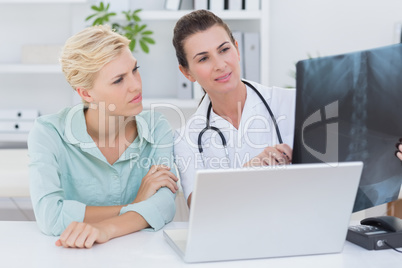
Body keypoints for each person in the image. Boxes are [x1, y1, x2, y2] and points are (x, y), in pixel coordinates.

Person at [28, 25, 178, 248]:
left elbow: (165, 203)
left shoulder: (157, 127)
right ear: (86, 93)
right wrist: (137, 205)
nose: (136, 85)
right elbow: (50, 216)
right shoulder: (49, 133)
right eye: (119, 80)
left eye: (135, 70)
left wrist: (106, 229)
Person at [172, 10, 296, 207]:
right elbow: (200, 209)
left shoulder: (291, 103)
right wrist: (247, 173)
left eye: (224, 50)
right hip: (229, 236)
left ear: (237, 50)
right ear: (187, 72)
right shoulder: (187, 138)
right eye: (203, 59)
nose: (220, 65)